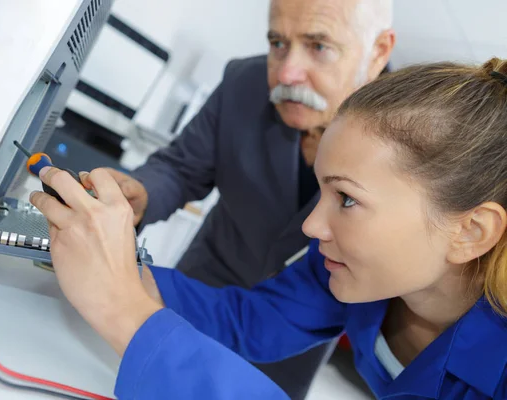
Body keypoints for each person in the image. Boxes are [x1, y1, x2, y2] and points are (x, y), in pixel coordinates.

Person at [32, 58, 507, 399]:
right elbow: (248, 322)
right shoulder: (354, 270)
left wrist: (121, 310)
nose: (312, 225)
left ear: (471, 231)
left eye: (346, 198)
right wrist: (116, 265)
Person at [97, 0, 395, 396]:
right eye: (277, 42)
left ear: (378, 51)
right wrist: (142, 194)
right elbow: (182, 167)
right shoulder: (244, 82)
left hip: (290, 344)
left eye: (318, 46)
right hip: (199, 289)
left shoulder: (407, 142)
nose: (287, 73)